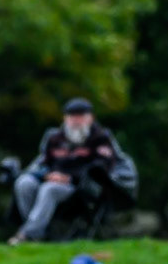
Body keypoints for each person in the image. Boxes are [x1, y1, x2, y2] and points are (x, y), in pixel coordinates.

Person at [9, 98, 124, 245]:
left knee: (49, 189)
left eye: (80, 116)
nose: (76, 120)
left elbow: (102, 167)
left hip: (80, 187)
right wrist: (45, 175)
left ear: (91, 118)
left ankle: (27, 235)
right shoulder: (54, 138)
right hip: (51, 179)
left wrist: (69, 178)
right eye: (72, 116)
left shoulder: (101, 138)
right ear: (65, 118)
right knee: (24, 183)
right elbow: (43, 163)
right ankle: (37, 232)